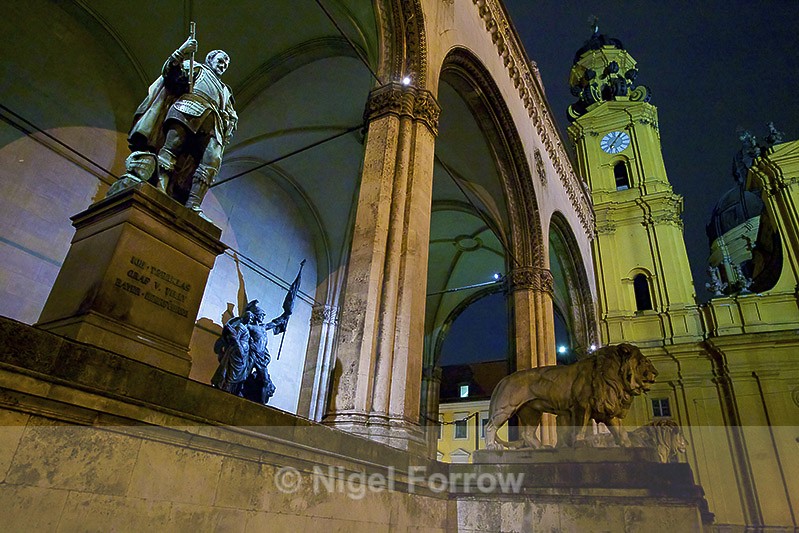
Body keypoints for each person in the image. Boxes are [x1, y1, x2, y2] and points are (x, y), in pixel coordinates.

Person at [127, 34, 237, 219]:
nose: (223, 65)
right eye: (220, 61)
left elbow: (230, 113)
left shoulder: (225, 90)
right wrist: (182, 51)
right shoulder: (196, 67)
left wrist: (230, 119)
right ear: (210, 59)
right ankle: (160, 186)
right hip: (187, 108)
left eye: (226, 64)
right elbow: (170, 74)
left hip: (213, 123)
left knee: (212, 160)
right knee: (172, 147)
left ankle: (193, 204)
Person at [212, 300, 287, 405]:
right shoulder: (250, 327)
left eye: (263, 315)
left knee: (265, 380)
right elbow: (237, 328)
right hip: (251, 355)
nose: (263, 317)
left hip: (261, 357)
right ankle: (235, 394)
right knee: (243, 377)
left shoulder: (263, 327)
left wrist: (285, 314)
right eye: (261, 315)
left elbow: (275, 323)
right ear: (256, 316)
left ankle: (261, 404)